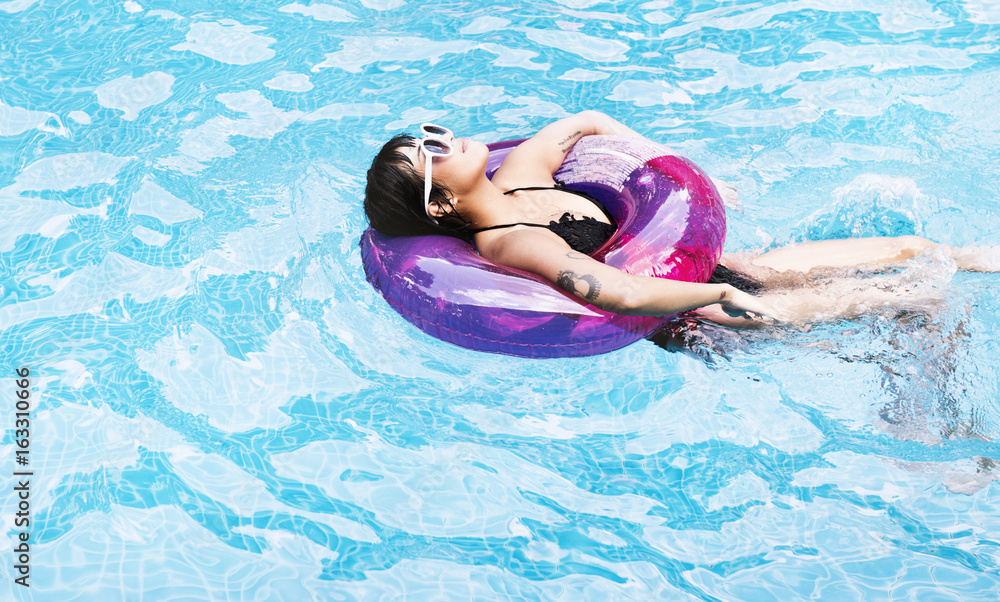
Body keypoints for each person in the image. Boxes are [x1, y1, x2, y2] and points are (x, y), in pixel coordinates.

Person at [364, 110, 997, 327]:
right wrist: (720, 292)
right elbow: (620, 291)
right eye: (433, 152)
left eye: (432, 132)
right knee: (923, 305)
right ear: (440, 204)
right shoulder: (510, 244)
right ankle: (929, 439)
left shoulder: (524, 175)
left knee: (913, 246)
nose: (447, 138)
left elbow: (584, 121)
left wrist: (684, 177)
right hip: (702, 315)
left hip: (727, 269)